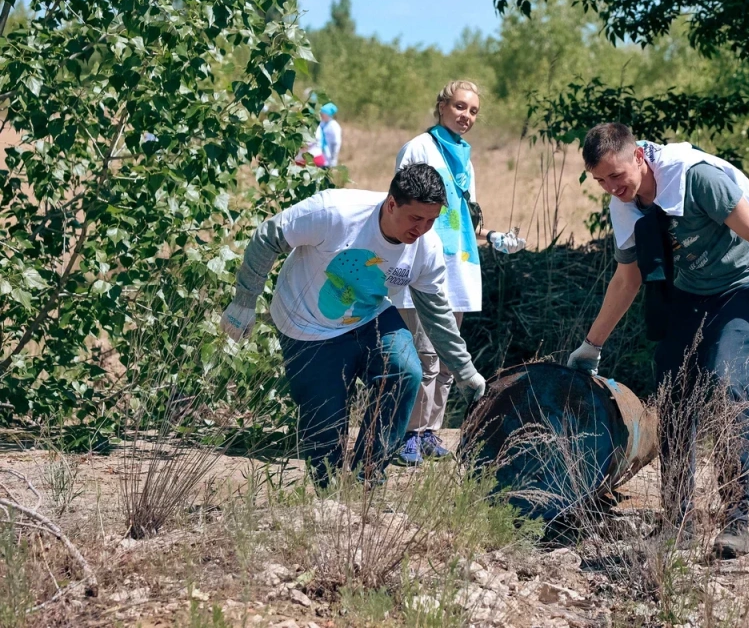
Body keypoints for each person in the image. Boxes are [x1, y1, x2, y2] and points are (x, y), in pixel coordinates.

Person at [565, 123, 749, 558]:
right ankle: (676, 523)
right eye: (601, 180)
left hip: (743, 286)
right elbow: (627, 280)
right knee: (674, 395)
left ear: (639, 157)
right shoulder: (624, 204)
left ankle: (736, 521)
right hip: (690, 294)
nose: (612, 187)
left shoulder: (696, 178)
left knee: (726, 385)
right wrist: (592, 345)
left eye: (616, 175)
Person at [219, 164, 487, 488]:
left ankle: (367, 479)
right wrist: (244, 301)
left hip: (368, 316)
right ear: (392, 204)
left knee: (405, 371)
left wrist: (464, 370)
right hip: (305, 326)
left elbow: (437, 314)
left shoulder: (426, 249)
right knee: (325, 431)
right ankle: (329, 495)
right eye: (416, 218)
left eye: (431, 220)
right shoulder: (335, 212)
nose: (423, 229)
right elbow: (268, 236)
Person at [391, 79, 526, 466]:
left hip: (460, 264)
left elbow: (466, 217)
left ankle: (429, 432)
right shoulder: (419, 148)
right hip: (424, 263)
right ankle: (407, 434)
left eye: (473, 111)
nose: (466, 115)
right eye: (460, 106)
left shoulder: (464, 158)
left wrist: (493, 236)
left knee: (448, 358)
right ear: (442, 107)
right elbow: (404, 206)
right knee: (423, 355)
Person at [316, 102, 343, 168]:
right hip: (319, 156)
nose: (321, 115)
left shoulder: (334, 126)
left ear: (328, 114)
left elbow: (336, 143)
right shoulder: (321, 124)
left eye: (323, 113)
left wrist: (333, 158)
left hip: (328, 158)